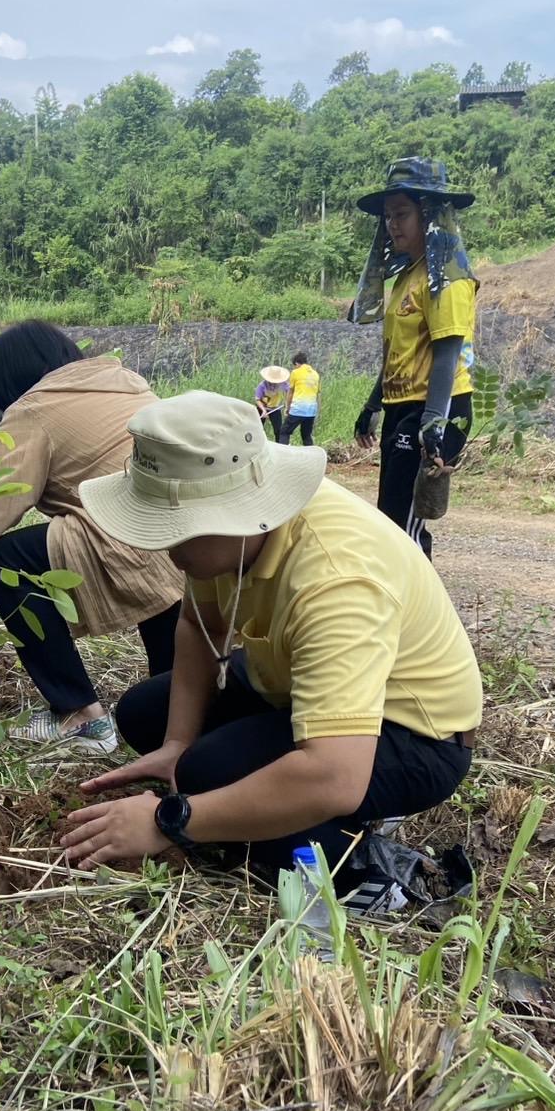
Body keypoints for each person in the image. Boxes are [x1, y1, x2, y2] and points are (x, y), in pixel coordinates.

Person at [59, 391, 481, 875]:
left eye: (174, 529)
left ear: (235, 512)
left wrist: (168, 821)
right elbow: (200, 625)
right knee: (144, 716)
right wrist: (176, 742)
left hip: (411, 731)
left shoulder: (337, 579)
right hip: (289, 680)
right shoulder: (227, 541)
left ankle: (371, 864)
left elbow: (333, 777)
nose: (164, 546)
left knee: (206, 776)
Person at [0, 320, 183, 754]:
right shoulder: (125, 381)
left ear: (9, 384)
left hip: (127, 537)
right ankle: (179, 728)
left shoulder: (33, 409)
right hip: (189, 533)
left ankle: (81, 717)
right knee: (167, 605)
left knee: (6, 559)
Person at [350, 157, 478, 558]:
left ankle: (415, 610)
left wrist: (433, 423)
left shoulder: (448, 280)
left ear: (429, 215)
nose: (392, 224)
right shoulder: (409, 275)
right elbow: (397, 355)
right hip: (401, 407)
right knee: (392, 516)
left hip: (436, 406)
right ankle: (407, 604)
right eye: (388, 216)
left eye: (401, 214)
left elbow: (447, 353)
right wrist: (373, 405)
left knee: (402, 528)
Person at [279, 351, 319, 446]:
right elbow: (317, 394)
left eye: (294, 365)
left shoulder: (295, 372)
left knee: (284, 432)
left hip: (298, 409)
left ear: (297, 363)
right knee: (306, 436)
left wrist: (287, 408)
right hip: (311, 411)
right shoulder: (315, 374)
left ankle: (282, 454)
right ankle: (311, 457)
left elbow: (290, 392)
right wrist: (317, 412)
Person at [253, 366, 289, 442]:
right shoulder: (262, 386)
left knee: (278, 430)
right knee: (258, 428)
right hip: (262, 408)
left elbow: (289, 393)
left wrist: (287, 403)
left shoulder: (283, 384)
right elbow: (257, 399)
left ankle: (279, 446)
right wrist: (263, 410)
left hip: (275, 409)